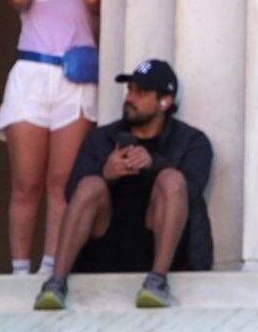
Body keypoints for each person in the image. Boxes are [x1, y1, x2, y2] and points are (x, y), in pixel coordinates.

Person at [33, 60, 213, 310]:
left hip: (160, 245)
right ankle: (55, 282)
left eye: (141, 92)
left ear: (165, 102)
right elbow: (71, 193)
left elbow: (192, 192)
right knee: (90, 184)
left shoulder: (193, 141)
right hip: (105, 244)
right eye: (130, 90)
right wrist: (105, 173)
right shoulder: (101, 138)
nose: (130, 98)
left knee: (171, 180)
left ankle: (158, 281)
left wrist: (155, 165)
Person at [0, 0, 99, 279]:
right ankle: (20, 270)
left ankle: (50, 267)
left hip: (74, 80)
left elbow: (93, 0)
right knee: (26, 182)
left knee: (61, 182)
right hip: (32, 75)